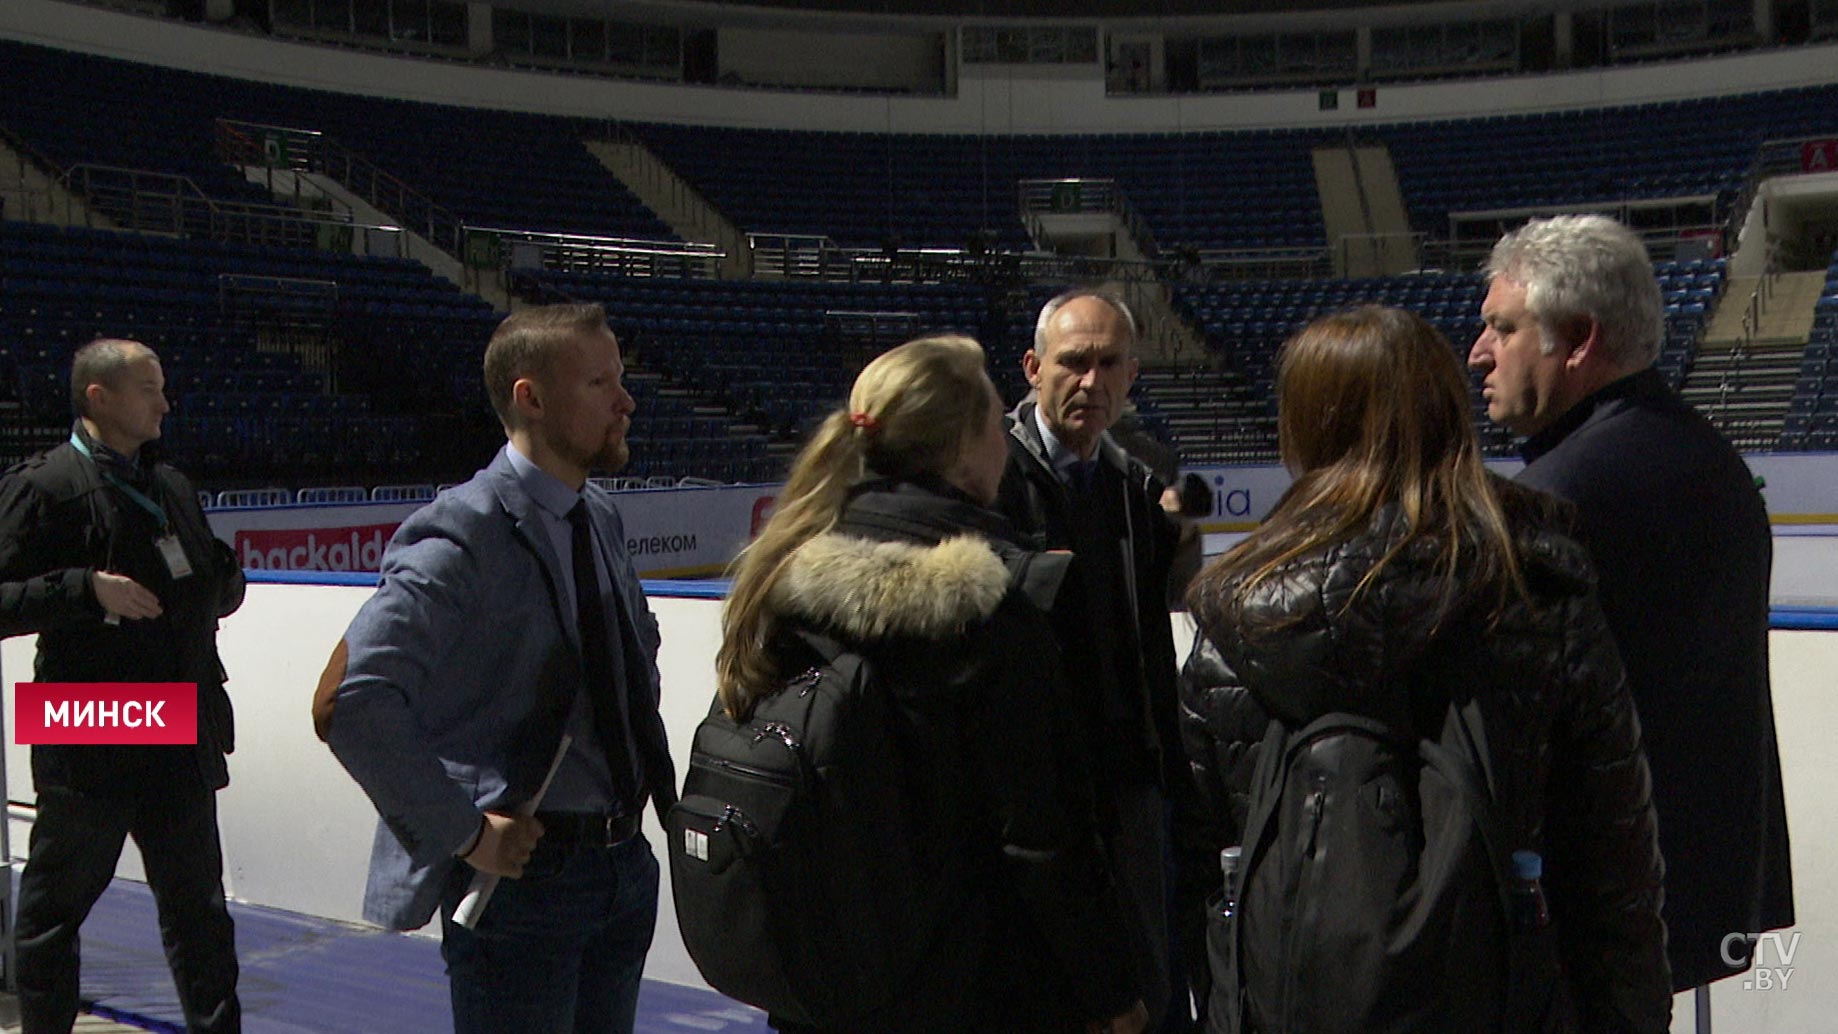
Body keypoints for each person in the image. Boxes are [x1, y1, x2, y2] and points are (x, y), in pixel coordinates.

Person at [1182, 306, 1671, 1032]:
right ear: (1446, 410)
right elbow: (1612, 864)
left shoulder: (1237, 617)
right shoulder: (1536, 590)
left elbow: (1209, 868)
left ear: (1305, 422)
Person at [718, 334, 1147, 1034]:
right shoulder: (991, 607)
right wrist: (1111, 990)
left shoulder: (783, 576)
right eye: (994, 418)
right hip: (963, 989)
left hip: (828, 979)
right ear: (964, 445)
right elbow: (1043, 839)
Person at [325, 304, 675, 1034]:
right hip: (526, 888)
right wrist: (466, 832)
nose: (626, 401)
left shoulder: (599, 515)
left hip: (623, 869)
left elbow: (630, 654)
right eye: (600, 382)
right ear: (532, 398)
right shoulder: (464, 530)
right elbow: (352, 701)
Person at [1470, 215, 1794, 995]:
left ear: (1577, 339)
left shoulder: (1550, 499)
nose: (1479, 352)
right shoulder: (1716, 463)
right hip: (1709, 890)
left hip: (1585, 915)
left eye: (1501, 328)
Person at [0, 338, 244, 1034]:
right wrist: (84, 590)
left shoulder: (171, 486)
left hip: (180, 728)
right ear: (98, 398)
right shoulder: (42, 488)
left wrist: (223, 585)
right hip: (89, 728)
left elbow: (213, 576)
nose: (165, 402)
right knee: (51, 915)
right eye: (148, 388)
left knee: (201, 916)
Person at [994, 289, 1193, 1031]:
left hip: (1130, 787)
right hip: (1037, 801)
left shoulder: (1136, 484)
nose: (1092, 381)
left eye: (1110, 364)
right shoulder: (994, 480)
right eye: (1074, 363)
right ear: (1032, 367)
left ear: (1133, 373)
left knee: (1150, 989)